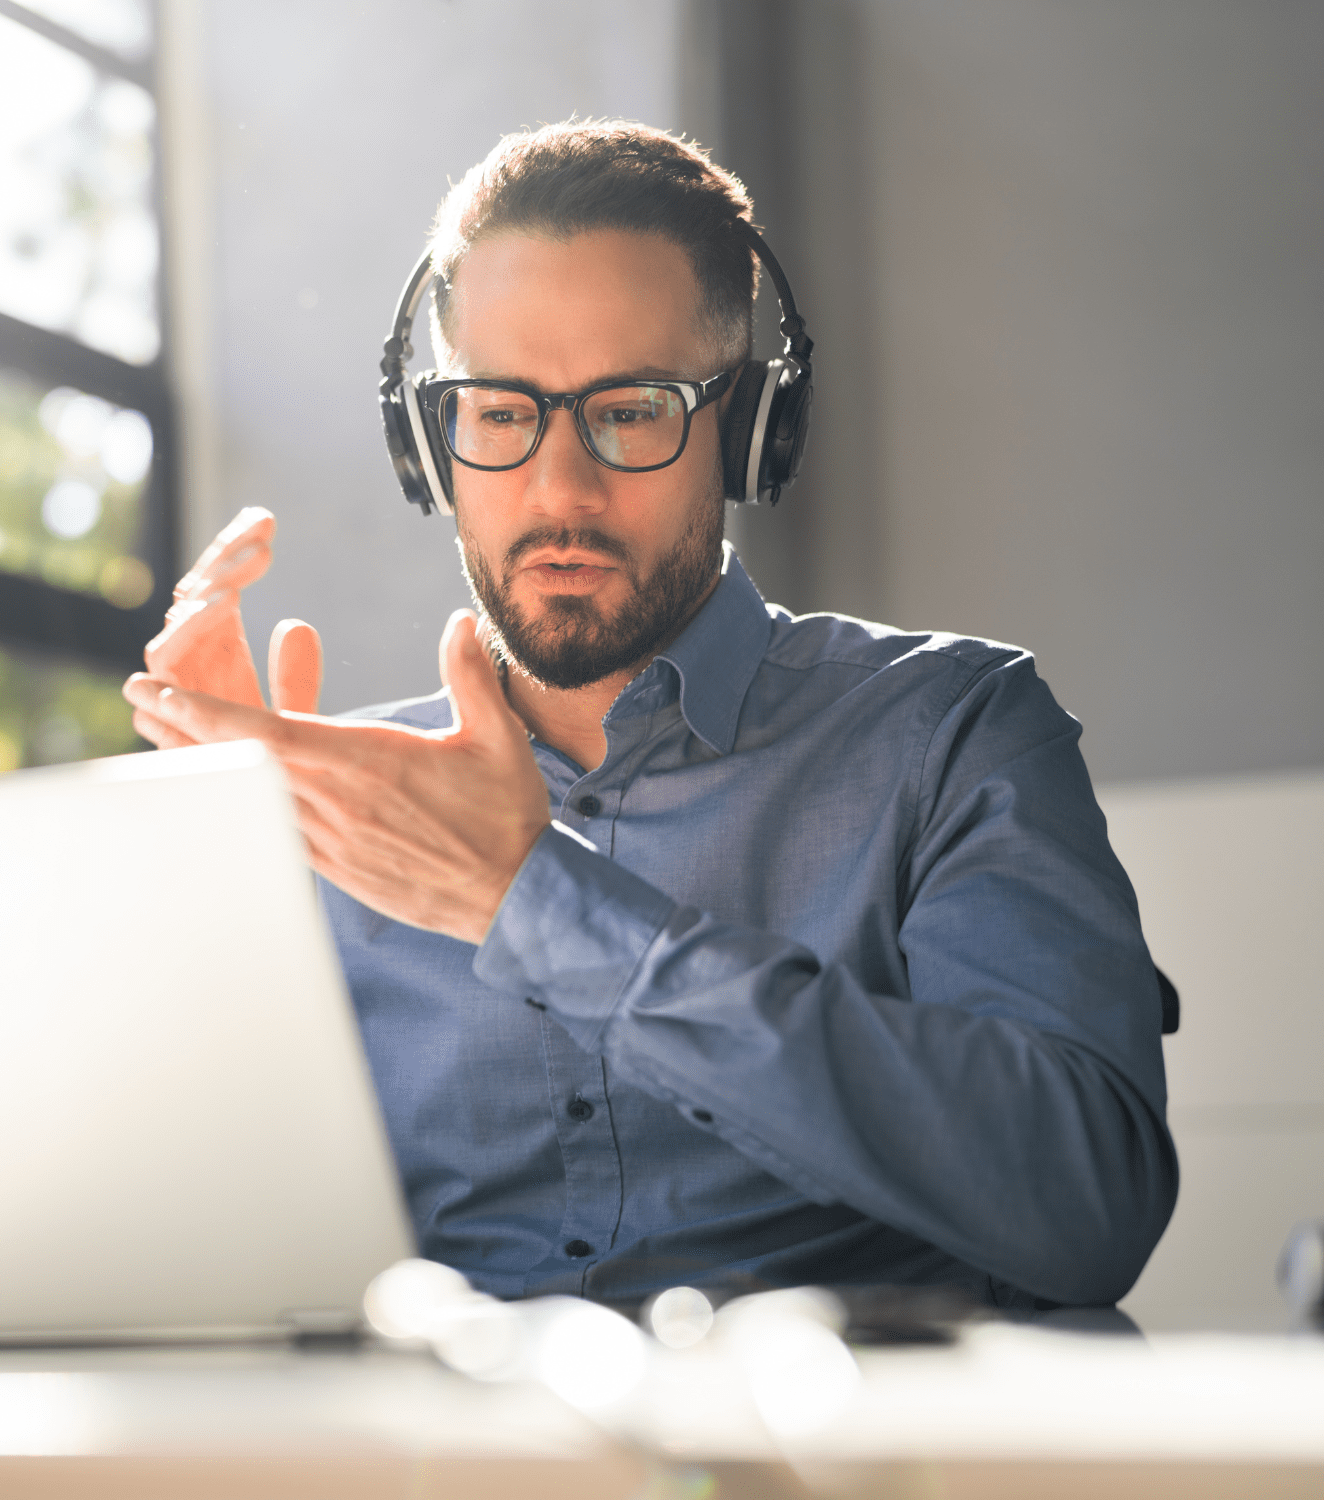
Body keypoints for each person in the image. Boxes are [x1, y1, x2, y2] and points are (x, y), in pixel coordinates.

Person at [123, 121, 1174, 1311]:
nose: (558, 487)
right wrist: (194, 877)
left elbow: (1085, 1205)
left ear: (743, 428)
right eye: (498, 411)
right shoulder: (331, 805)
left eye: (629, 410)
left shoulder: (953, 731)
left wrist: (532, 901)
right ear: (431, 444)